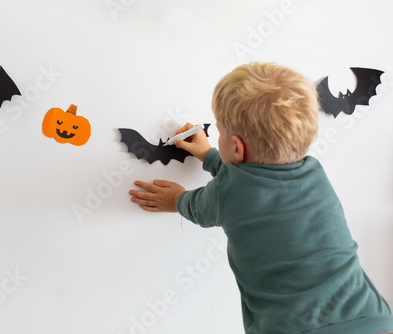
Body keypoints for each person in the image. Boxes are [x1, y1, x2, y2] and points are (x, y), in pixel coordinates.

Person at [129, 62, 393, 334]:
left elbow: (204, 205)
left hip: (290, 327)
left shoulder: (228, 191)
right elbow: (249, 181)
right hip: (367, 316)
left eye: (218, 131)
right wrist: (208, 155)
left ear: (237, 147)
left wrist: (175, 199)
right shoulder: (314, 172)